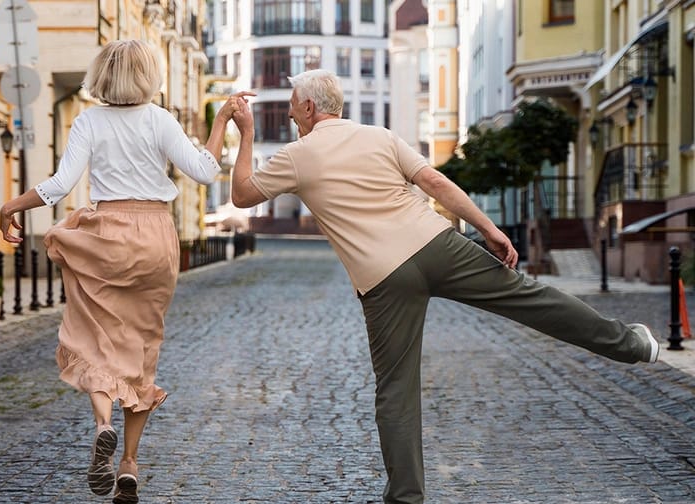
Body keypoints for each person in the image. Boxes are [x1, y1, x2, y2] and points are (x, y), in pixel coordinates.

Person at [225, 69, 660, 504]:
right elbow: (433, 181)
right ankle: (630, 345)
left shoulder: (299, 154)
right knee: (531, 298)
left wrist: (245, 134)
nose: (291, 122)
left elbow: (242, 195)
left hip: (383, 279)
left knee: (396, 391)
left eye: (291, 113)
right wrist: (488, 228)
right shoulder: (380, 136)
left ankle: (407, 499)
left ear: (309, 107)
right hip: (435, 244)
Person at [0, 39, 247, 504]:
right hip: (155, 238)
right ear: (149, 76)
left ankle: (102, 425)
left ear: (103, 75)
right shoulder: (160, 119)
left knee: (90, 338)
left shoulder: (89, 120)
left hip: (108, 236)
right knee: (141, 350)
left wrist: (12, 205)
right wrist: (220, 121)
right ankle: (129, 465)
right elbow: (202, 170)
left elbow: (59, 185)